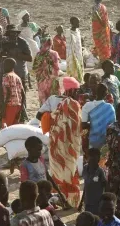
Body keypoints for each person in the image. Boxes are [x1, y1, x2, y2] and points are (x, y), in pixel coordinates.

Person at [37, 77, 82, 208]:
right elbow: (78, 125)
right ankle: (71, 200)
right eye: (76, 90)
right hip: (70, 145)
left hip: (57, 143)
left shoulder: (53, 100)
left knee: (57, 171)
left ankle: (60, 199)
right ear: (71, 90)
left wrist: (53, 118)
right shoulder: (74, 104)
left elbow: (39, 116)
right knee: (70, 171)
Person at [82, 83, 116, 152]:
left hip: (93, 142)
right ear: (106, 94)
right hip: (107, 142)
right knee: (104, 161)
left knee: (93, 160)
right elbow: (113, 125)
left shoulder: (87, 106)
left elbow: (83, 125)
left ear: (94, 92)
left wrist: (94, 123)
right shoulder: (110, 107)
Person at [78, 148, 107, 214]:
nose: (93, 161)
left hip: (97, 204)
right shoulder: (85, 168)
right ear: (88, 158)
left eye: (95, 159)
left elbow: (106, 186)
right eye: (91, 158)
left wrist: (105, 203)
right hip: (87, 202)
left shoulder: (100, 172)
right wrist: (81, 202)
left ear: (98, 159)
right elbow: (86, 186)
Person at [0, 58, 24, 127]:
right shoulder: (17, 77)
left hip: (9, 105)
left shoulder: (6, 77)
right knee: (14, 128)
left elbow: (8, 93)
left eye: (5, 65)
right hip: (18, 105)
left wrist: (4, 108)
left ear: (10, 66)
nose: (3, 67)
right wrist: (21, 107)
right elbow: (23, 94)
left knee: (6, 128)